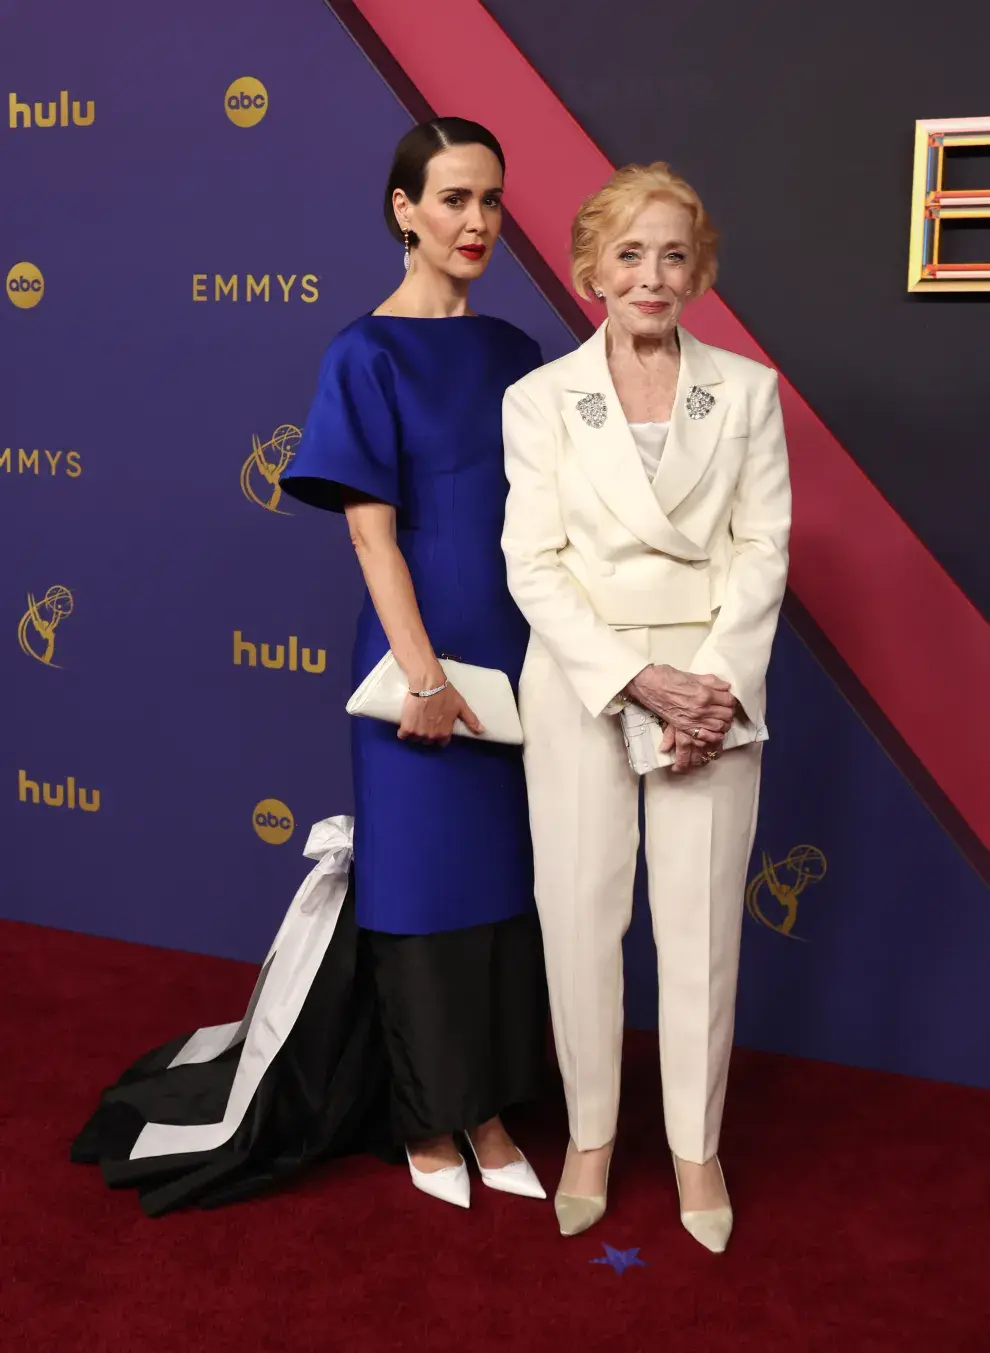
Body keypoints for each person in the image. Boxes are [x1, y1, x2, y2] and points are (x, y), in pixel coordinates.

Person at [71, 119, 547, 1215]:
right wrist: (425, 677)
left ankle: (489, 1110)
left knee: (501, 894)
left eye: (491, 201)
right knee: (424, 893)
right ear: (405, 211)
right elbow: (373, 537)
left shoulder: (519, 354)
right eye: (455, 200)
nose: (477, 222)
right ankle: (431, 1121)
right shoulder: (362, 353)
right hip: (418, 659)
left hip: (520, 656)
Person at [501, 162, 791, 1250]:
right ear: (590, 272)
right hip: (587, 684)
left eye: (674, 254)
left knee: (701, 931)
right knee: (579, 920)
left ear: (700, 269)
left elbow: (763, 551)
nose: (652, 275)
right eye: (630, 254)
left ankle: (693, 1148)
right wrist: (635, 677)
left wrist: (708, 686)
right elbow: (532, 565)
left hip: (714, 696)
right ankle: (587, 1134)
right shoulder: (539, 401)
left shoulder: (750, 391)